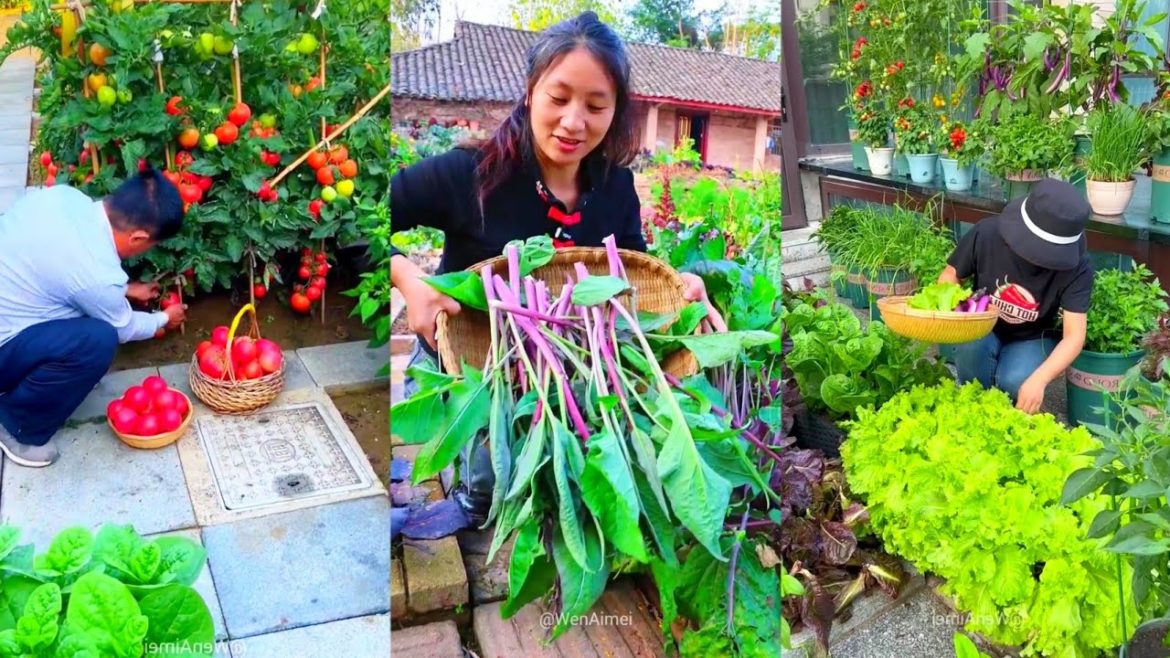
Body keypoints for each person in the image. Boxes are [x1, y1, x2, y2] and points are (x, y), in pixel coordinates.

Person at [390, 12, 726, 522]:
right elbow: (360, 219)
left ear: (616, 111)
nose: (574, 122)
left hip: (563, 377)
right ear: (530, 92)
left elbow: (632, 273)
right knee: (490, 496)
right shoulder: (470, 174)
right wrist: (407, 280)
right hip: (471, 373)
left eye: (596, 105)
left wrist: (679, 289)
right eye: (559, 98)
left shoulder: (613, 188)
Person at [0, 169, 187, 468]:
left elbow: (61, 269)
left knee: (84, 320)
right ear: (139, 237)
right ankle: (16, 425)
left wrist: (124, 289)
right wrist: (164, 318)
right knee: (96, 341)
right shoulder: (97, 276)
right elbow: (123, 327)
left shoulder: (65, 197)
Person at [939, 178, 1093, 414]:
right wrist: (958, 308)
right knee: (971, 354)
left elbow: (1074, 335)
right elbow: (951, 275)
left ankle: (1001, 403)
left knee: (1014, 381)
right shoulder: (988, 233)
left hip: (1033, 337)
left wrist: (1040, 379)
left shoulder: (1078, 267)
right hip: (983, 325)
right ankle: (977, 401)